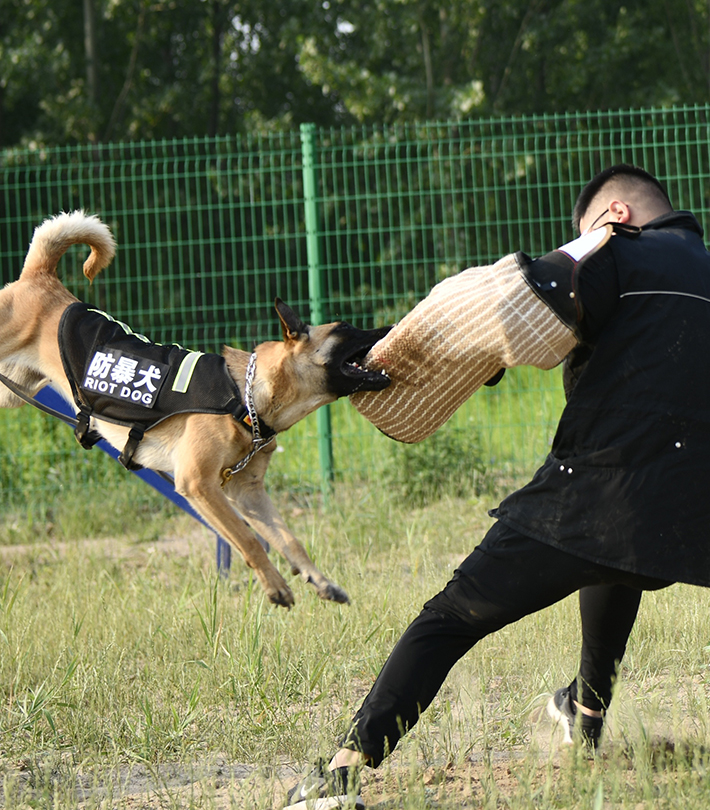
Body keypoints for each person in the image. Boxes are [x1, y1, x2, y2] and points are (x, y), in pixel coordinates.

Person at [284, 164, 710, 810]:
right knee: (619, 554)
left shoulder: (614, 250)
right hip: (694, 511)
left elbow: (516, 298)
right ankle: (585, 714)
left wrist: (446, 357)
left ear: (616, 216)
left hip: (597, 490)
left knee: (450, 618)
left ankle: (336, 778)